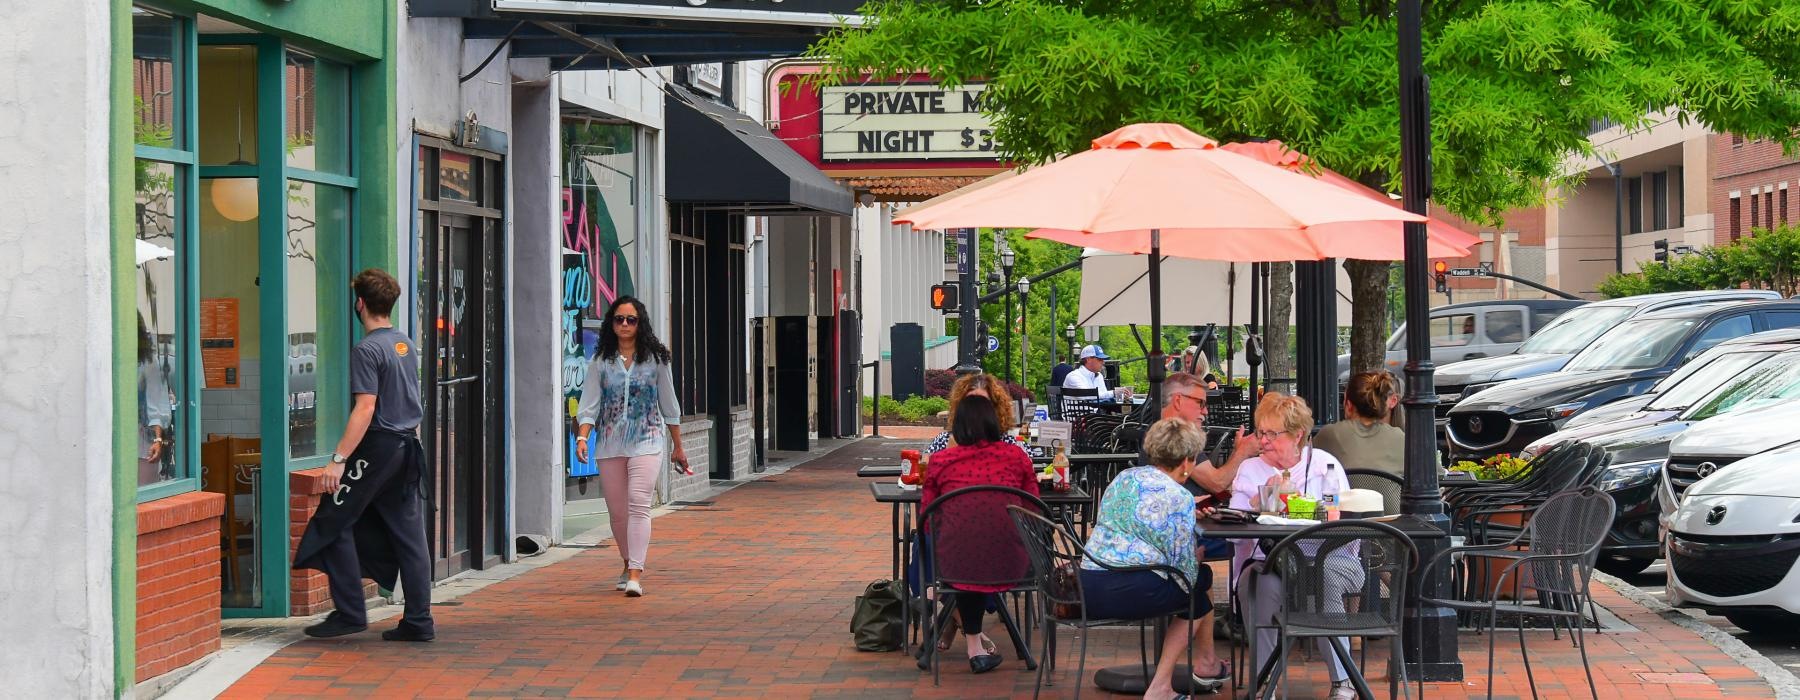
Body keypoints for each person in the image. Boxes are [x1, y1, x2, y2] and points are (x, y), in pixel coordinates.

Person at [293, 269, 435, 642]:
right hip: (406, 447)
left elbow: (366, 408)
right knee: (409, 535)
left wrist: (337, 461)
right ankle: (419, 621)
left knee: (332, 519)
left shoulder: (367, 349)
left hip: (378, 448)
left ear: (360, 304)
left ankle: (351, 612)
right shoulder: (403, 343)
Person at [1083, 419, 1231, 700]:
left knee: (1191, 583)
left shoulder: (1124, 478)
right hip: (1132, 592)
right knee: (1199, 588)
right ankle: (1162, 685)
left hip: (1088, 584)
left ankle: (1177, 677)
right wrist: (1197, 554)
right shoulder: (1180, 497)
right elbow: (1184, 569)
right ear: (1188, 462)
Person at [1229, 393, 1360, 700]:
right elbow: (1233, 531)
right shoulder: (1251, 470)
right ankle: (1266, 682)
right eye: (1261, 432)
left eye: (1273, 434)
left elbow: (1340, 521)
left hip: (1332, 560)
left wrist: (1301, 508)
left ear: (1298, 434)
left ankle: (1344, 681)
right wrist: (1256, 503)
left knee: (1324, 576)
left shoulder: (1325, 466)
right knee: (1259, 584)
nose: (1264, 441)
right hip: (1272, 561)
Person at [575, 295, 691, 598]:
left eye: (631, 320)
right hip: (610, 443)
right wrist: (582, 437)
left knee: (639, 504)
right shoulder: (600, 362)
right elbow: (588, 407)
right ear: (611, 324)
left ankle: (636, 574)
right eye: (619, 319)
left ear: (641, 324)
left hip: (647, 440)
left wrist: (678, 446)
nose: (624, 324)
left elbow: (670, 405)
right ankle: (627, 562)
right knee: (617, 512)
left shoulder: (656, 360)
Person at [920, 395, 1039, 674]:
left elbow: (927, 519)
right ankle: (979, 648)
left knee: (965, 552)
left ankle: (968, 639)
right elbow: (1033, 508)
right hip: (1012, 564)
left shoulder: (940, 460)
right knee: (982, 550)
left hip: (954, 566)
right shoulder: (1017, 456)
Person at [1146, 372, 1261, 560]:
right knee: (1254, 541)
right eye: (1201, 403)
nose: (1206, 411)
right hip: (1177, 539)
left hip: (1106, 569)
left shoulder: (1158, 435)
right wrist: (1243, 453)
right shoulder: (1177, 438)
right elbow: (1217, 483)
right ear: (1177, 401)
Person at [1314, 372, 1404, 477]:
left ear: (1348, 405)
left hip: (1342, 494)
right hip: (1388, 494)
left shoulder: (1330, 434)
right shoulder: (1400, 438)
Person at [925, 372, 1023, 456]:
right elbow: (926, 470)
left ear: (997, 408)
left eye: (983, 403)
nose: (976, 409)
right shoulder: (943, 441)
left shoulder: (1013, 445)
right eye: (970, 403)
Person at [1063, 344, 1132, 401]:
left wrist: (1121, 396)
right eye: (1100, 359)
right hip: (1076, 416)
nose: (1103, 362)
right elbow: (1087, 395)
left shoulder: (1099, 375)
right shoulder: (1074, 376)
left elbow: (1104, 396)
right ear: (1088, 360)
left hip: (1095, 415)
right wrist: (1114, 393)